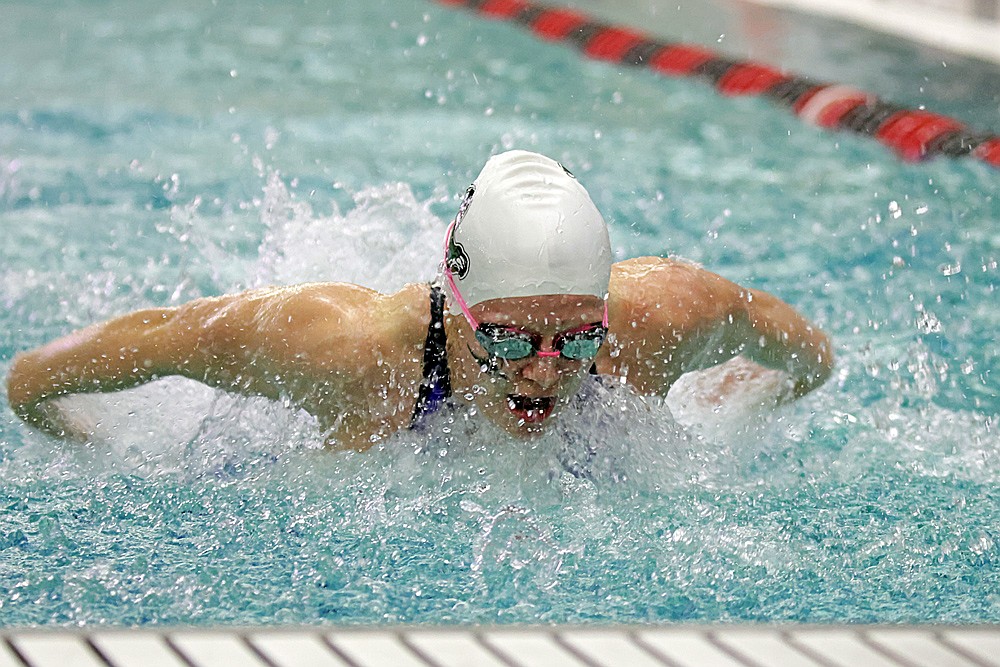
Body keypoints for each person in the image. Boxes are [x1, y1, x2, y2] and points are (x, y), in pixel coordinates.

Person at [6, 150, 833, 450]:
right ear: (460, 309)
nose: (545, 373)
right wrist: (77, 436)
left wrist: (751, 398)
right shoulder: (347, 352)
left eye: (576, 338)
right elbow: (140, 346)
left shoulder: (659, 320)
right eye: (510, 341)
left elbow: (803, 352)